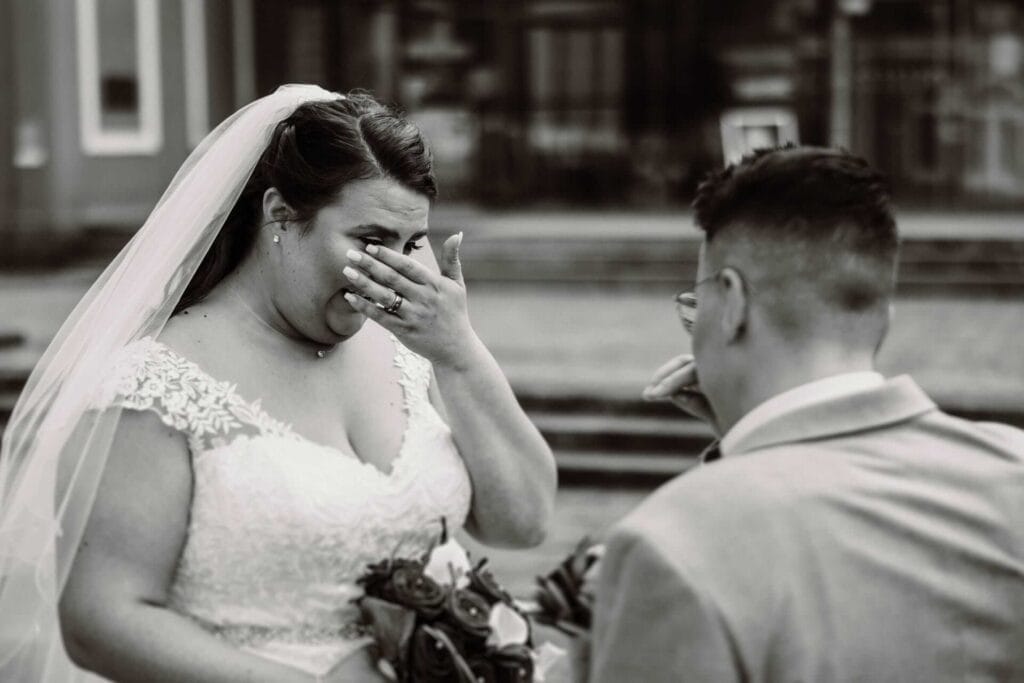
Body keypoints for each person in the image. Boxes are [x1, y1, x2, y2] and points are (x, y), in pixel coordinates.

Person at [0, 85, 557, 682]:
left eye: (410, 244)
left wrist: (461, 355)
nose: (393, 275)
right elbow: (100, 621)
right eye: (370, 241)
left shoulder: (411, 351)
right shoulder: (154, 384)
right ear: (280, 213)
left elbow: (520, 524)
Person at [589, 146, 1024, 681]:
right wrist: (748, 437)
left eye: (694, 303)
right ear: (882, 313)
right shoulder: (1012, 471)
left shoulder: (674, 544)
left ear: (731, 304)